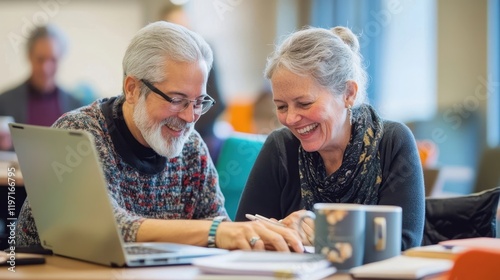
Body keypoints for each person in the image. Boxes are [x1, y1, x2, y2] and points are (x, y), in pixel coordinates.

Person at [15, 21, 304, 253]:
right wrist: (218, 231)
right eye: (177, 100)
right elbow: (108, 228)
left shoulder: (190, 147)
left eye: (199, 102)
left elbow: (216, 227)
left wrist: (267, 235)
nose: (191, 117)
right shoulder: (78, 133)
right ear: (131, 89)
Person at [235, 26, 425, 250]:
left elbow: (404, 244)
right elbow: (243, 234)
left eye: (304, 103)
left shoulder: (392, 142)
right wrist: (279, 232)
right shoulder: (281, 147)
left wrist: (325, 234)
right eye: (281, 106)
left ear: (348, 94)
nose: (291, 118)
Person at [0, 24, 84, 150]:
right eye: (40, 59)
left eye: (53, 60)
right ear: (29, 56)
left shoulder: (76, 106)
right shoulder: (5, 101)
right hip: (13, 170)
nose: (46, 68)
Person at [162, 4, 226, 163]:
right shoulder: (160, 61)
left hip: (201, 133)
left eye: (185, 27)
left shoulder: (203, 55)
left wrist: (187, 125)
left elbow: (218, 104)